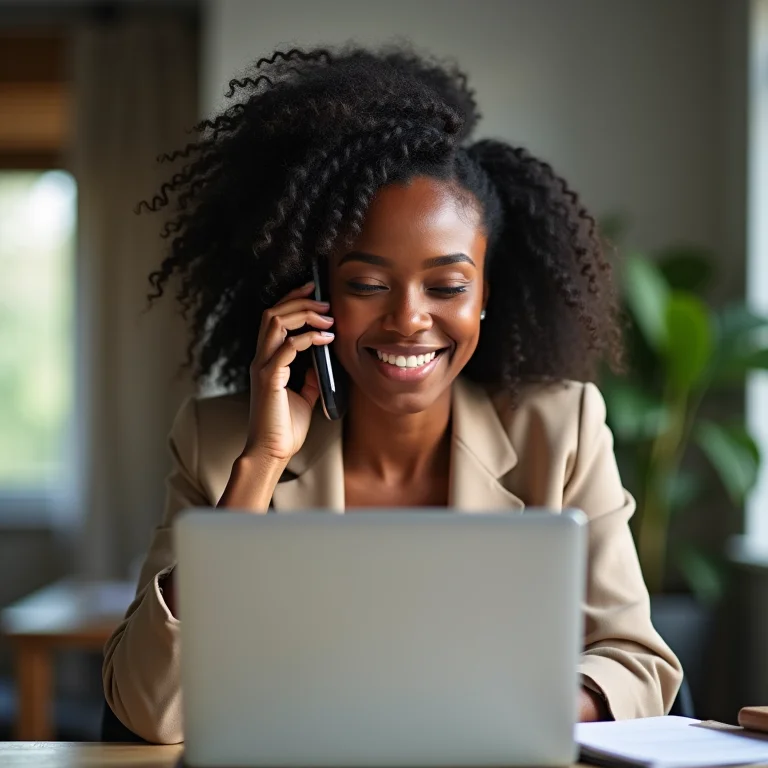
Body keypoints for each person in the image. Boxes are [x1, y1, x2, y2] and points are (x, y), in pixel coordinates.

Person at [102, 44, 682, 745]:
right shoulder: (221, 442)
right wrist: (259, 466)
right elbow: (148, 712)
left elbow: (638, 665)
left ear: (486, 296)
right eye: (367, 284)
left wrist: (500, 712)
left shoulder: (559, 429)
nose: (409, 318)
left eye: (447, 286)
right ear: (310, 296)